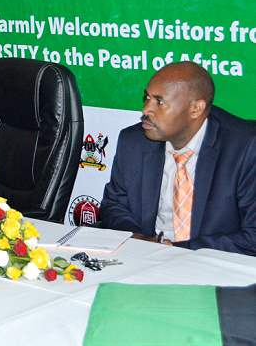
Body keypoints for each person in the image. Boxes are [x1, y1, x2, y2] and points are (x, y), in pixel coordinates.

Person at [100, 61, 256, 256]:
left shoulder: (245, 149)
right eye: (147, 98)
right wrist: (139, 240)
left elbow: (252, 238)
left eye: (159, 102)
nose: (146, 110)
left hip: (214, 265)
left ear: (195, 109)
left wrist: (174, 251)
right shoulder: (133, 142)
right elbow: (114, 207)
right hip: (146, 260)